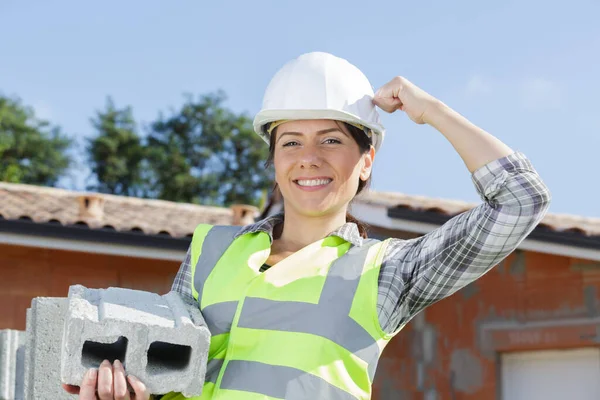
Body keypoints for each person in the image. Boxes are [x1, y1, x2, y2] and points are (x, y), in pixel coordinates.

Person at [63, 51, 551, 400]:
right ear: (274, 160)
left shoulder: (385, 272)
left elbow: (520, 201)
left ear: (366, 160)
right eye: (291, 142)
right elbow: (175, 377)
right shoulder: (210, 249)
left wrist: (432, 112)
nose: (309, 159)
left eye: (332, 140)